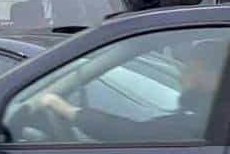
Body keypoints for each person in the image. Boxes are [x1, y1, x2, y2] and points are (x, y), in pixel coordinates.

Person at [33, 45, 222, 143]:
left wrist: (66, 110)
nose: (181, 77)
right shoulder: (207, 112)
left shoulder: (201, 118)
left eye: (190, 70)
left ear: (212, 75)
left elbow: (134, 133)